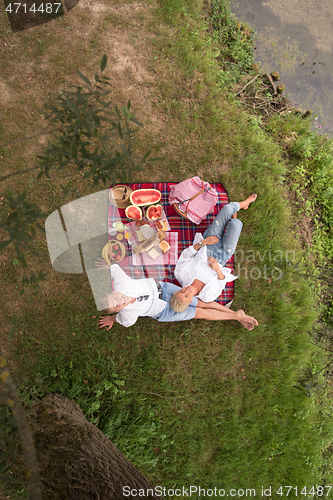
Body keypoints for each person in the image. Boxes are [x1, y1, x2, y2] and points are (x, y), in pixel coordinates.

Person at [95, 262, 258, 331]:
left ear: (114, 291)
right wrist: (112, 319)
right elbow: (121, 319)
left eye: (115, 298)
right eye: (116, 306)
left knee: (199, 303)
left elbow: (115, 269)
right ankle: (236, 315)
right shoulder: (126, 315)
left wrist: (108, 266)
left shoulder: (122, 283)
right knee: (198, 313)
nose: (120, 302)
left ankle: (237, 315)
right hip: (164, 311)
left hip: (165, 289)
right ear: (118, 310)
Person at [170, 194, 257, 312]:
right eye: (186, 296)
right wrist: (218, 270)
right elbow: (221, 284)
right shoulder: (207, 296)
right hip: (222, 257)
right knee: (236, 225)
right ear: (190, 301)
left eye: (181, 291)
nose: (185, 290)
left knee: (227, 208)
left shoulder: (180, 275)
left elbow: (186, 254)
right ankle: (234, 219)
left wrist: (204, 242)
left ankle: (245, 203)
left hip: (207, 246)